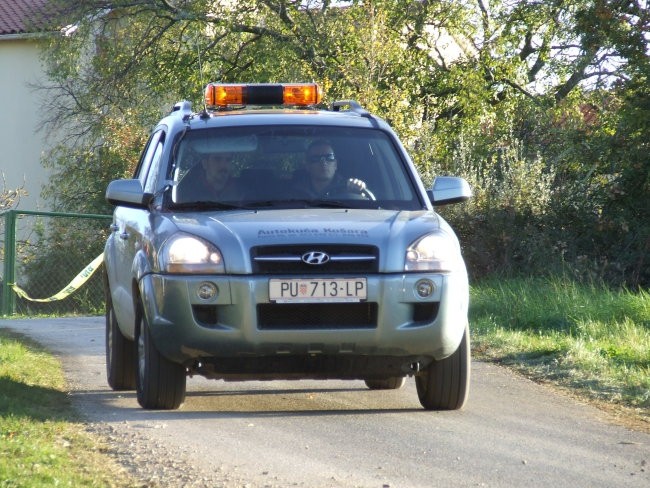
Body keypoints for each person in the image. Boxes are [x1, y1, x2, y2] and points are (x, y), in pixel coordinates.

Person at [297, 140, 368, 198]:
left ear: (336, 164)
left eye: (329, 157)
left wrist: (359, 191)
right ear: (307, 166)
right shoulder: (294, 193)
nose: (323, 162)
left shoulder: (348, 188)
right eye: (316, 158)